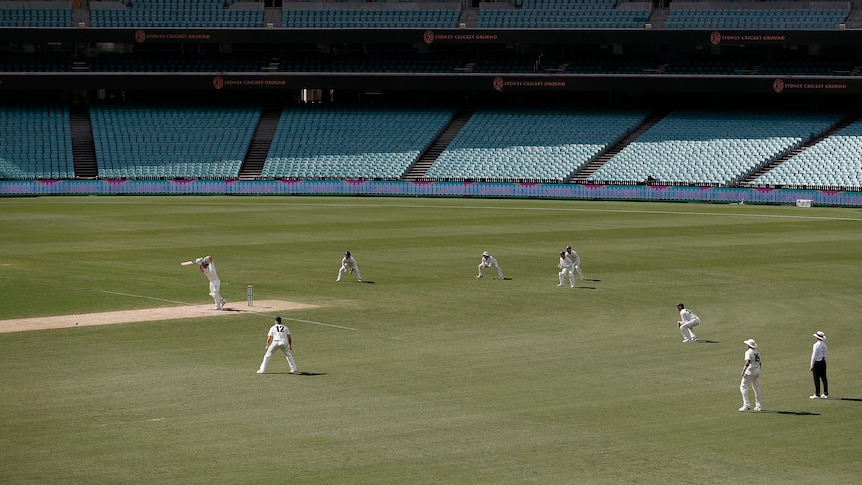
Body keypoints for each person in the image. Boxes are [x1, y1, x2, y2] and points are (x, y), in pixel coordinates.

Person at [739, 339, 762, 412]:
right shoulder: (757, 352)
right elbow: (760, 363)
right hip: (757, 370)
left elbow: (748, 362)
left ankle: (746, 405)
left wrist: (744, 370)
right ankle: (758, 405)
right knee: (756, 388)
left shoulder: (748, 352)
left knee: (743, 386)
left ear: (749, 345)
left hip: (751, 370)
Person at [809, 331, 828, 399]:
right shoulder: (824, 345)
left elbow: (813, 356)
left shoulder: (816, 345)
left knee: (816, 379)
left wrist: (811, 366)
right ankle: (825, 393)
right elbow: (826, 354)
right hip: (823, 362)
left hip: (817, 363)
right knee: (824, 378)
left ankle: (817, 394)